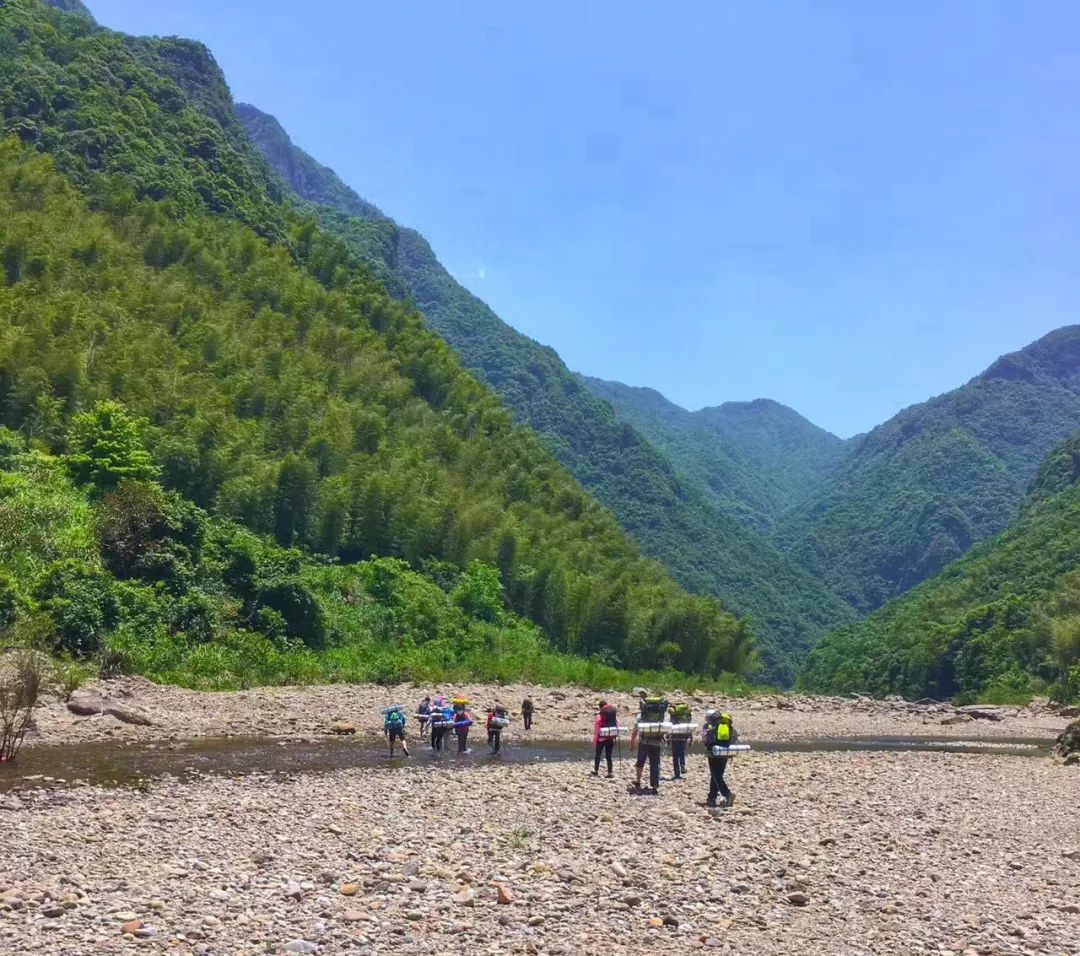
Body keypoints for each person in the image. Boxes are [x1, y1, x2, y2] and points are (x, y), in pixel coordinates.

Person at [630, 694, 668, 794]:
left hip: (644, 742)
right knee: (655, 764)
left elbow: (635, 730)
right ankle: (654, 786)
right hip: (657, 742)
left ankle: (638, 782)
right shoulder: (662, 715)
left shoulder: (641, 715)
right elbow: (666, 728)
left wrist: (632, 744)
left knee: (640, 762)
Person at [703, 710, 737, 808]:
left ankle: (726, 793)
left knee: (715, 775)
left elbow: (705, 739)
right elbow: (734, 736)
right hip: (725, 751)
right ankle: (712, 797)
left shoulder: (708, 726)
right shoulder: (726, 723)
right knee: (718, 775)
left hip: (713, 752)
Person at [591, 700, 618, 777]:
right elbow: (616, 725)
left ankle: (596, 771)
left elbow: (597, 730)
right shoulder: (612, 717)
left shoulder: (599, 717)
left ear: (600, 708)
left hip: (600, 739)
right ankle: (610, 772)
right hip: (610, 738)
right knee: (609, 756)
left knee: (598, 755)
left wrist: (595, 741)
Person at [668, 701, 693, 780]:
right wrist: (691, 737)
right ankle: (682, 764)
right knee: (682, 751)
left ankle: (677, 774)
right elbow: (689, 725)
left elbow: (670, 725)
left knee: (675, 755)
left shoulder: (673, 713)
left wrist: (668, 737)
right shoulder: (686, 712)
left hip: (675, 735)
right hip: (684, 735)